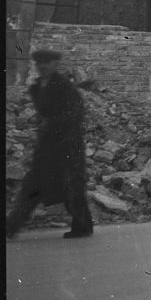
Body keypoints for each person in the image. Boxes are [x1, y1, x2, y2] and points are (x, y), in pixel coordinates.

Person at [6, 50, 94, 240]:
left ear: (55, 64)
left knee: (72, 187)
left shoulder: (65, 87)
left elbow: (74, 115)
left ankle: (83, 226)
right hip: (47, 146)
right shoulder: (37, 87)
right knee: (32, 186)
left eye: (47, 62)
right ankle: (11, 227)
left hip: (68, 145)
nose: (43, 66)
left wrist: (50, 124)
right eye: (40, 63)